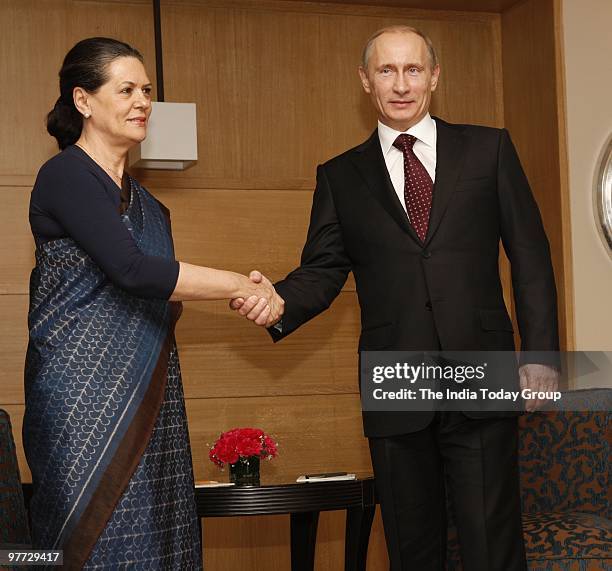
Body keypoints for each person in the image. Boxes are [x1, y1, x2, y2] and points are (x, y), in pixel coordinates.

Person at [232, 26, 560, 570]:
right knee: (412, 547)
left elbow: (530, 257)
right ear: (366, 81)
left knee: (491, 543)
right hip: (397, 383)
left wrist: (541, 355)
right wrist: (278, 301)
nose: (401, 84)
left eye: (413, 70)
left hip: (481, 371)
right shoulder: (340, 176)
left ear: (435, 76)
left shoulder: (489, 148)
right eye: (387, 71)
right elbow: (323, 269)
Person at [24, 37, 283, 570]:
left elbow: (160, 285)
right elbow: (134, 271)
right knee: (83, 543)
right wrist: (242, 284)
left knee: (157, 537)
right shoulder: (66, 175)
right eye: (126, 89)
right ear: (83, 100)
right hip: (80, 402)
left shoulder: (146, 204)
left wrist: (242, 288)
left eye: (147, 90)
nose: (143, 101)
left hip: (148, 395)